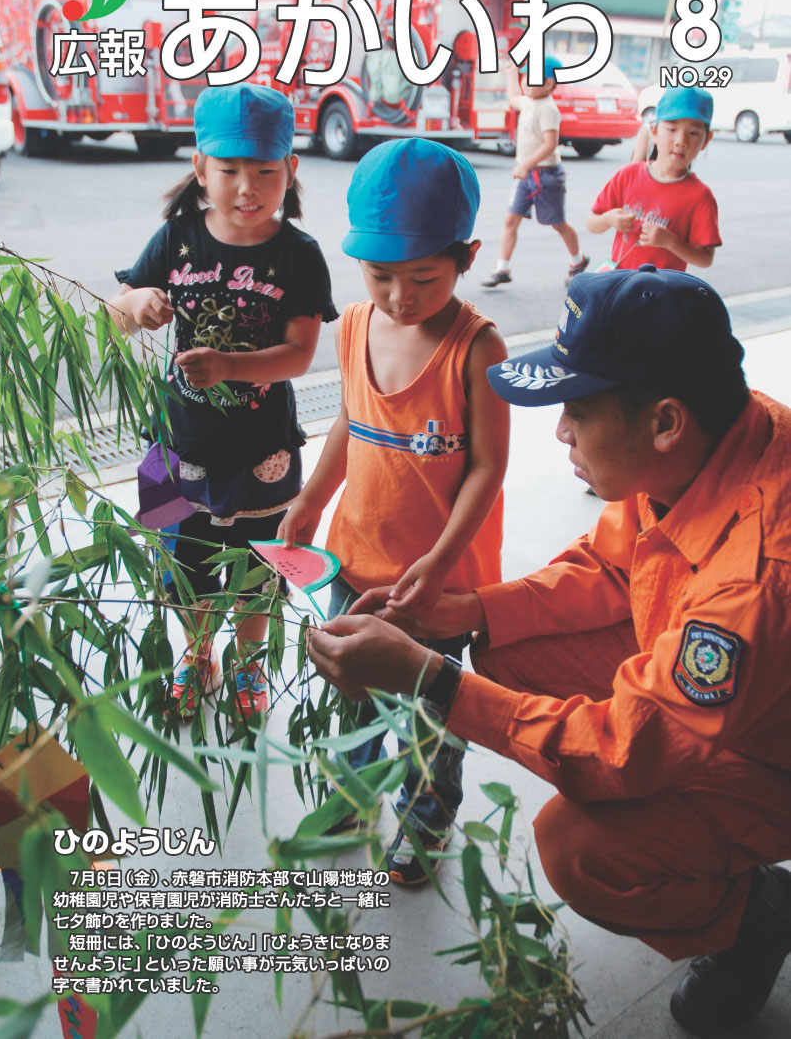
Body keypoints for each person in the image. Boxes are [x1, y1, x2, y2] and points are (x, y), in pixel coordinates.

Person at [307, 263, 791, 1036]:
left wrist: (430, 680)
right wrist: (469, 609)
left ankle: (754, 915)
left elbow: (628, 751)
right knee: (502, 645)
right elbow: (609, 564)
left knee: (577, 846)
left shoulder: (757, 581)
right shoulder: (715, 432)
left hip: (772, 754)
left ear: (664, 421)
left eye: (578, 409)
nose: (560, 431)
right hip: (733, 688)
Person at [279, 138, 509, 885]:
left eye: (423, 277)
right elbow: (350, 420)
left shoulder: (477, 347)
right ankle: (351, 794)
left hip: (438, 585)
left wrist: (440, 562)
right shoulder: (353, 326)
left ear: (467, 257)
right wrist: (312, 498)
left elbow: (488, 464)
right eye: (381, 276)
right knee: (351, 690)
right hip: (354, 561)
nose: (401, 298)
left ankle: (425, 819)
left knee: (433, 717)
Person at [109, 84, 336, 719]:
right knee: (188, 568)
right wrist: (136, 305)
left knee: (258, 573)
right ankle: (198, 652)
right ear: (200, 168)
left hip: (262, 450)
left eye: (265, 170)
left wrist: (227, 367)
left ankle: (248, 664)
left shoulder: (299, 253)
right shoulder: (176, 238)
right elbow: (116, 317)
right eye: (230, 169)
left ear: (290, 171)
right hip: (180, 445)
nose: (247, 187)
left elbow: (298, 355)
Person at [482, 55, 589, 290]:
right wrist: (511, 74)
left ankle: (577, 261)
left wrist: (525, 164)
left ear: (549, 83)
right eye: (525, 78)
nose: (526, 83)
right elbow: (512, 97)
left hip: (546, 176)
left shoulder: (548, 109)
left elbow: (550, 144)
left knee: (558, 223)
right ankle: (502, 268)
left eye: (532, 80)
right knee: (511, 220)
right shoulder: (529, 102)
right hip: (527, 176)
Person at [588, 85, 720, 271]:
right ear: (655, 132)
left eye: (693, 133)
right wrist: (608, 219)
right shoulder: (628, 175)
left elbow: (705, 258)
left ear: (706, 140)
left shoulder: (700, 196)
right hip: (619, 285)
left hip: (662, 294)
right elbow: (591, 223)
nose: (681, 140)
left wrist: (670, 242)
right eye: (672, 129)